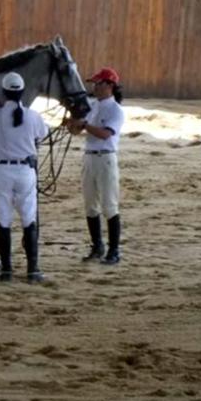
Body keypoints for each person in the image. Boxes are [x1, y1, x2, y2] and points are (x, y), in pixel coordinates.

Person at [0, 68, 50, 283]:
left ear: (4, 92)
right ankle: (33, 270)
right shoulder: (34, 116)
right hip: (25, 171)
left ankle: (6, 270)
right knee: (29, 219)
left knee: (4, 220)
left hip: (1, 172)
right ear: (22, 92)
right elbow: (42, 135)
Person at [66, 67, 125, 265]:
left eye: (98, 84)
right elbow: (77, 130)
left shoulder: (116, 110)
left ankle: (114, 250)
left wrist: (83, 125)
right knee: (90, 205)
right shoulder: (93, 105)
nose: (95, 87)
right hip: (90, 157)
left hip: (106, 158)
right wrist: (72, 124)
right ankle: (97, 245)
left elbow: (106, 134)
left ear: (109, 85)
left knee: (109, 205)